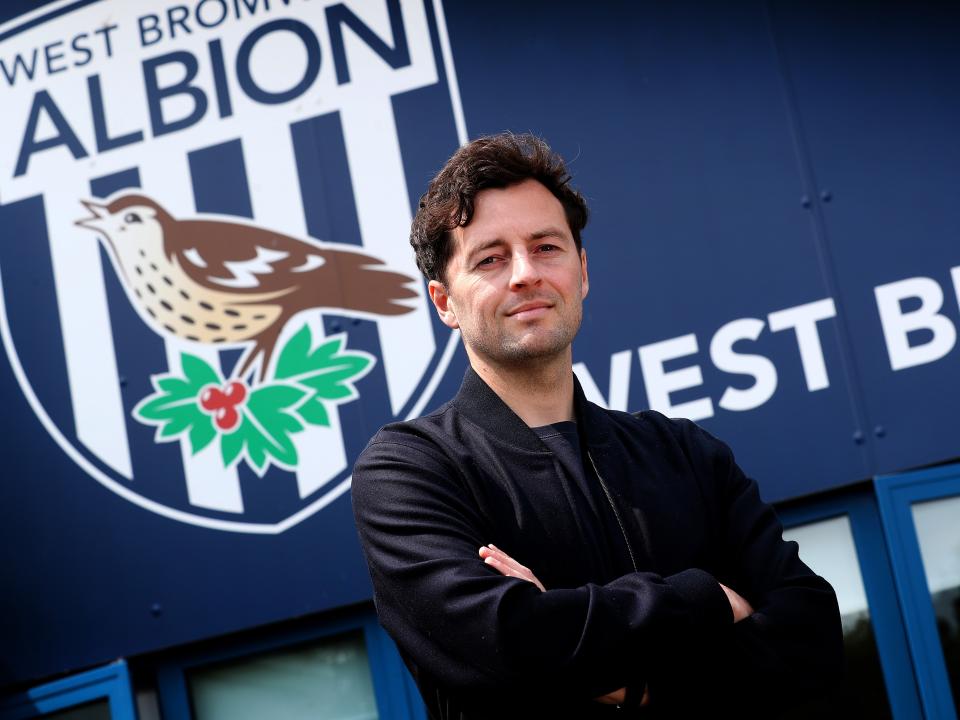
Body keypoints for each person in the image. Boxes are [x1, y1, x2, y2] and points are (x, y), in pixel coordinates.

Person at [351, 132, 843, 718]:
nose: (525, 274)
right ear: (444, 302)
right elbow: (510, 643)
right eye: (490, 258)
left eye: (546, 247)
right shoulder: (411, 472)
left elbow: (811, 637)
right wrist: (706, 596)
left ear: (581, 272)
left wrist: (620, 681)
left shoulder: (684, 453)